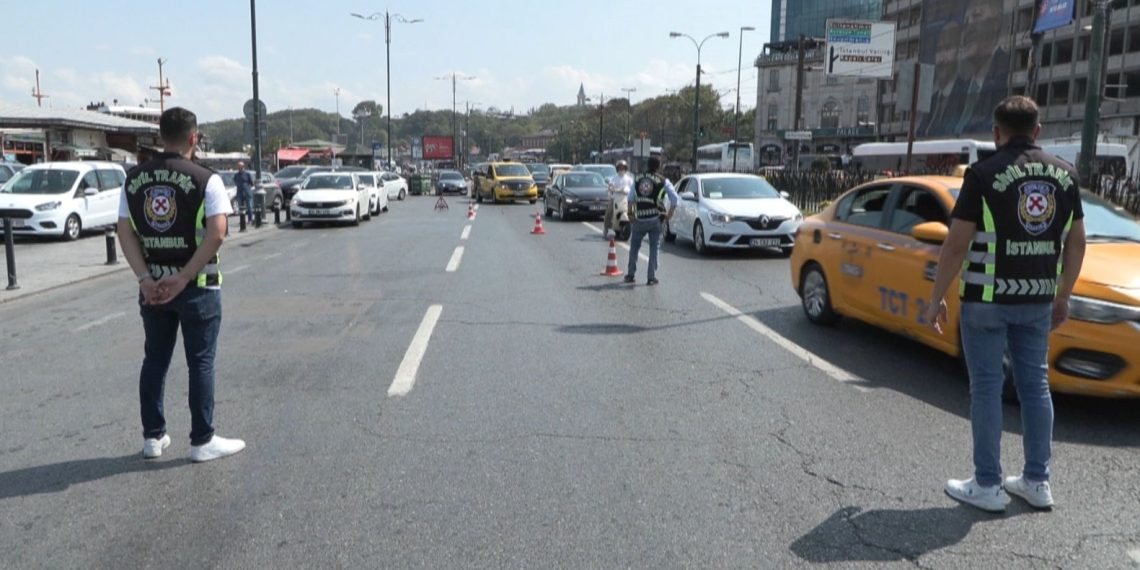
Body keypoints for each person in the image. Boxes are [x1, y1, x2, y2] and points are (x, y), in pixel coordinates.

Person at [923, 96, 1086, 512]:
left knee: (987, 389)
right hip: (1037, 300)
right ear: (1038, 130)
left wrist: (936, 296)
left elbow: (957, 243)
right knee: (1035, 387)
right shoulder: (1066, 176)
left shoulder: (983, 173)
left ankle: (988, 485)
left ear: (996, 133)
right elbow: (1076, 241)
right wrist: (1064, 293)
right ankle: (1037, 480)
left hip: (986, 301)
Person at [117, 107, 246, 463]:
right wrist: (185, 275)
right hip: (198, 286)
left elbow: (124, 232)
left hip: (154, 287)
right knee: (200, 362)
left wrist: (145, 278)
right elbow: (218, 232)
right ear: (194, 138)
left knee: (154, 360)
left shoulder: (133, 178)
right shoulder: (207, 179)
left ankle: (153, 437)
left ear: (160, 137)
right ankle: (202, 439)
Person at [624, 156, 678, 285]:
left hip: (639, 218)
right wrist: (669, 215)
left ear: (647, 165)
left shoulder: (637, 179)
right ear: (658, 166)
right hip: (655, 219)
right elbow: (674, 198)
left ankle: (631, 274)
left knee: (634, 247)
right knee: (654, 248)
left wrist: (630, 214)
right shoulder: (663, 180)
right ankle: (651, 277)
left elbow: (630, 198)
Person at [603, 159, 634, 239]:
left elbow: (633, 188)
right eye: (620, 168)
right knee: (609, 213)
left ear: (625, 169)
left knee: (633, 212)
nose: (621, 170)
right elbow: (610, 185)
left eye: (623, 168)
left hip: (626, 199)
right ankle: (606, 230)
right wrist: (611, 188)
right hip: (615, 198)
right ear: (617, 169)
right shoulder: (614, 178)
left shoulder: (629, 179)